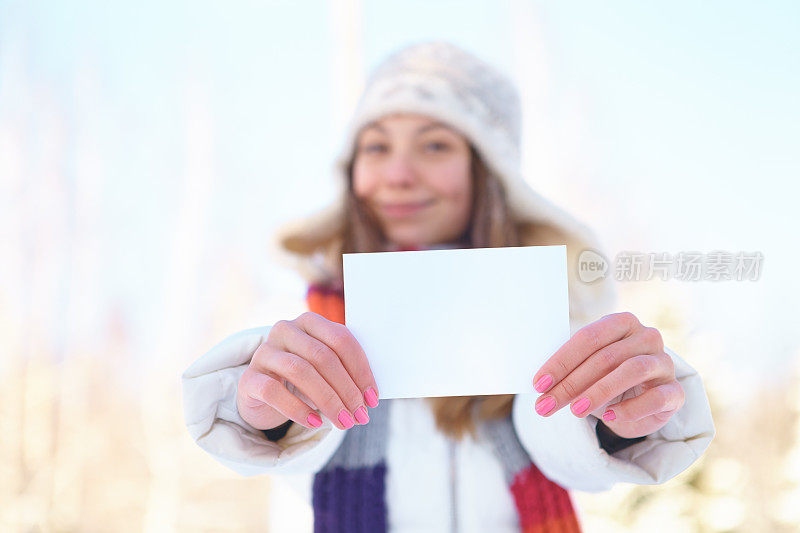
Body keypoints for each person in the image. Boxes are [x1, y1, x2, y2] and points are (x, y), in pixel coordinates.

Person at [181, 41, 715, 532]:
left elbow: (558, 436)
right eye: (375, 147)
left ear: (486, 173)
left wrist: (616, 416)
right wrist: (264, 413)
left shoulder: (547, 309)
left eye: (434, 146)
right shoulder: (301, 317)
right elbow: (289, 461)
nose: (398, 174)